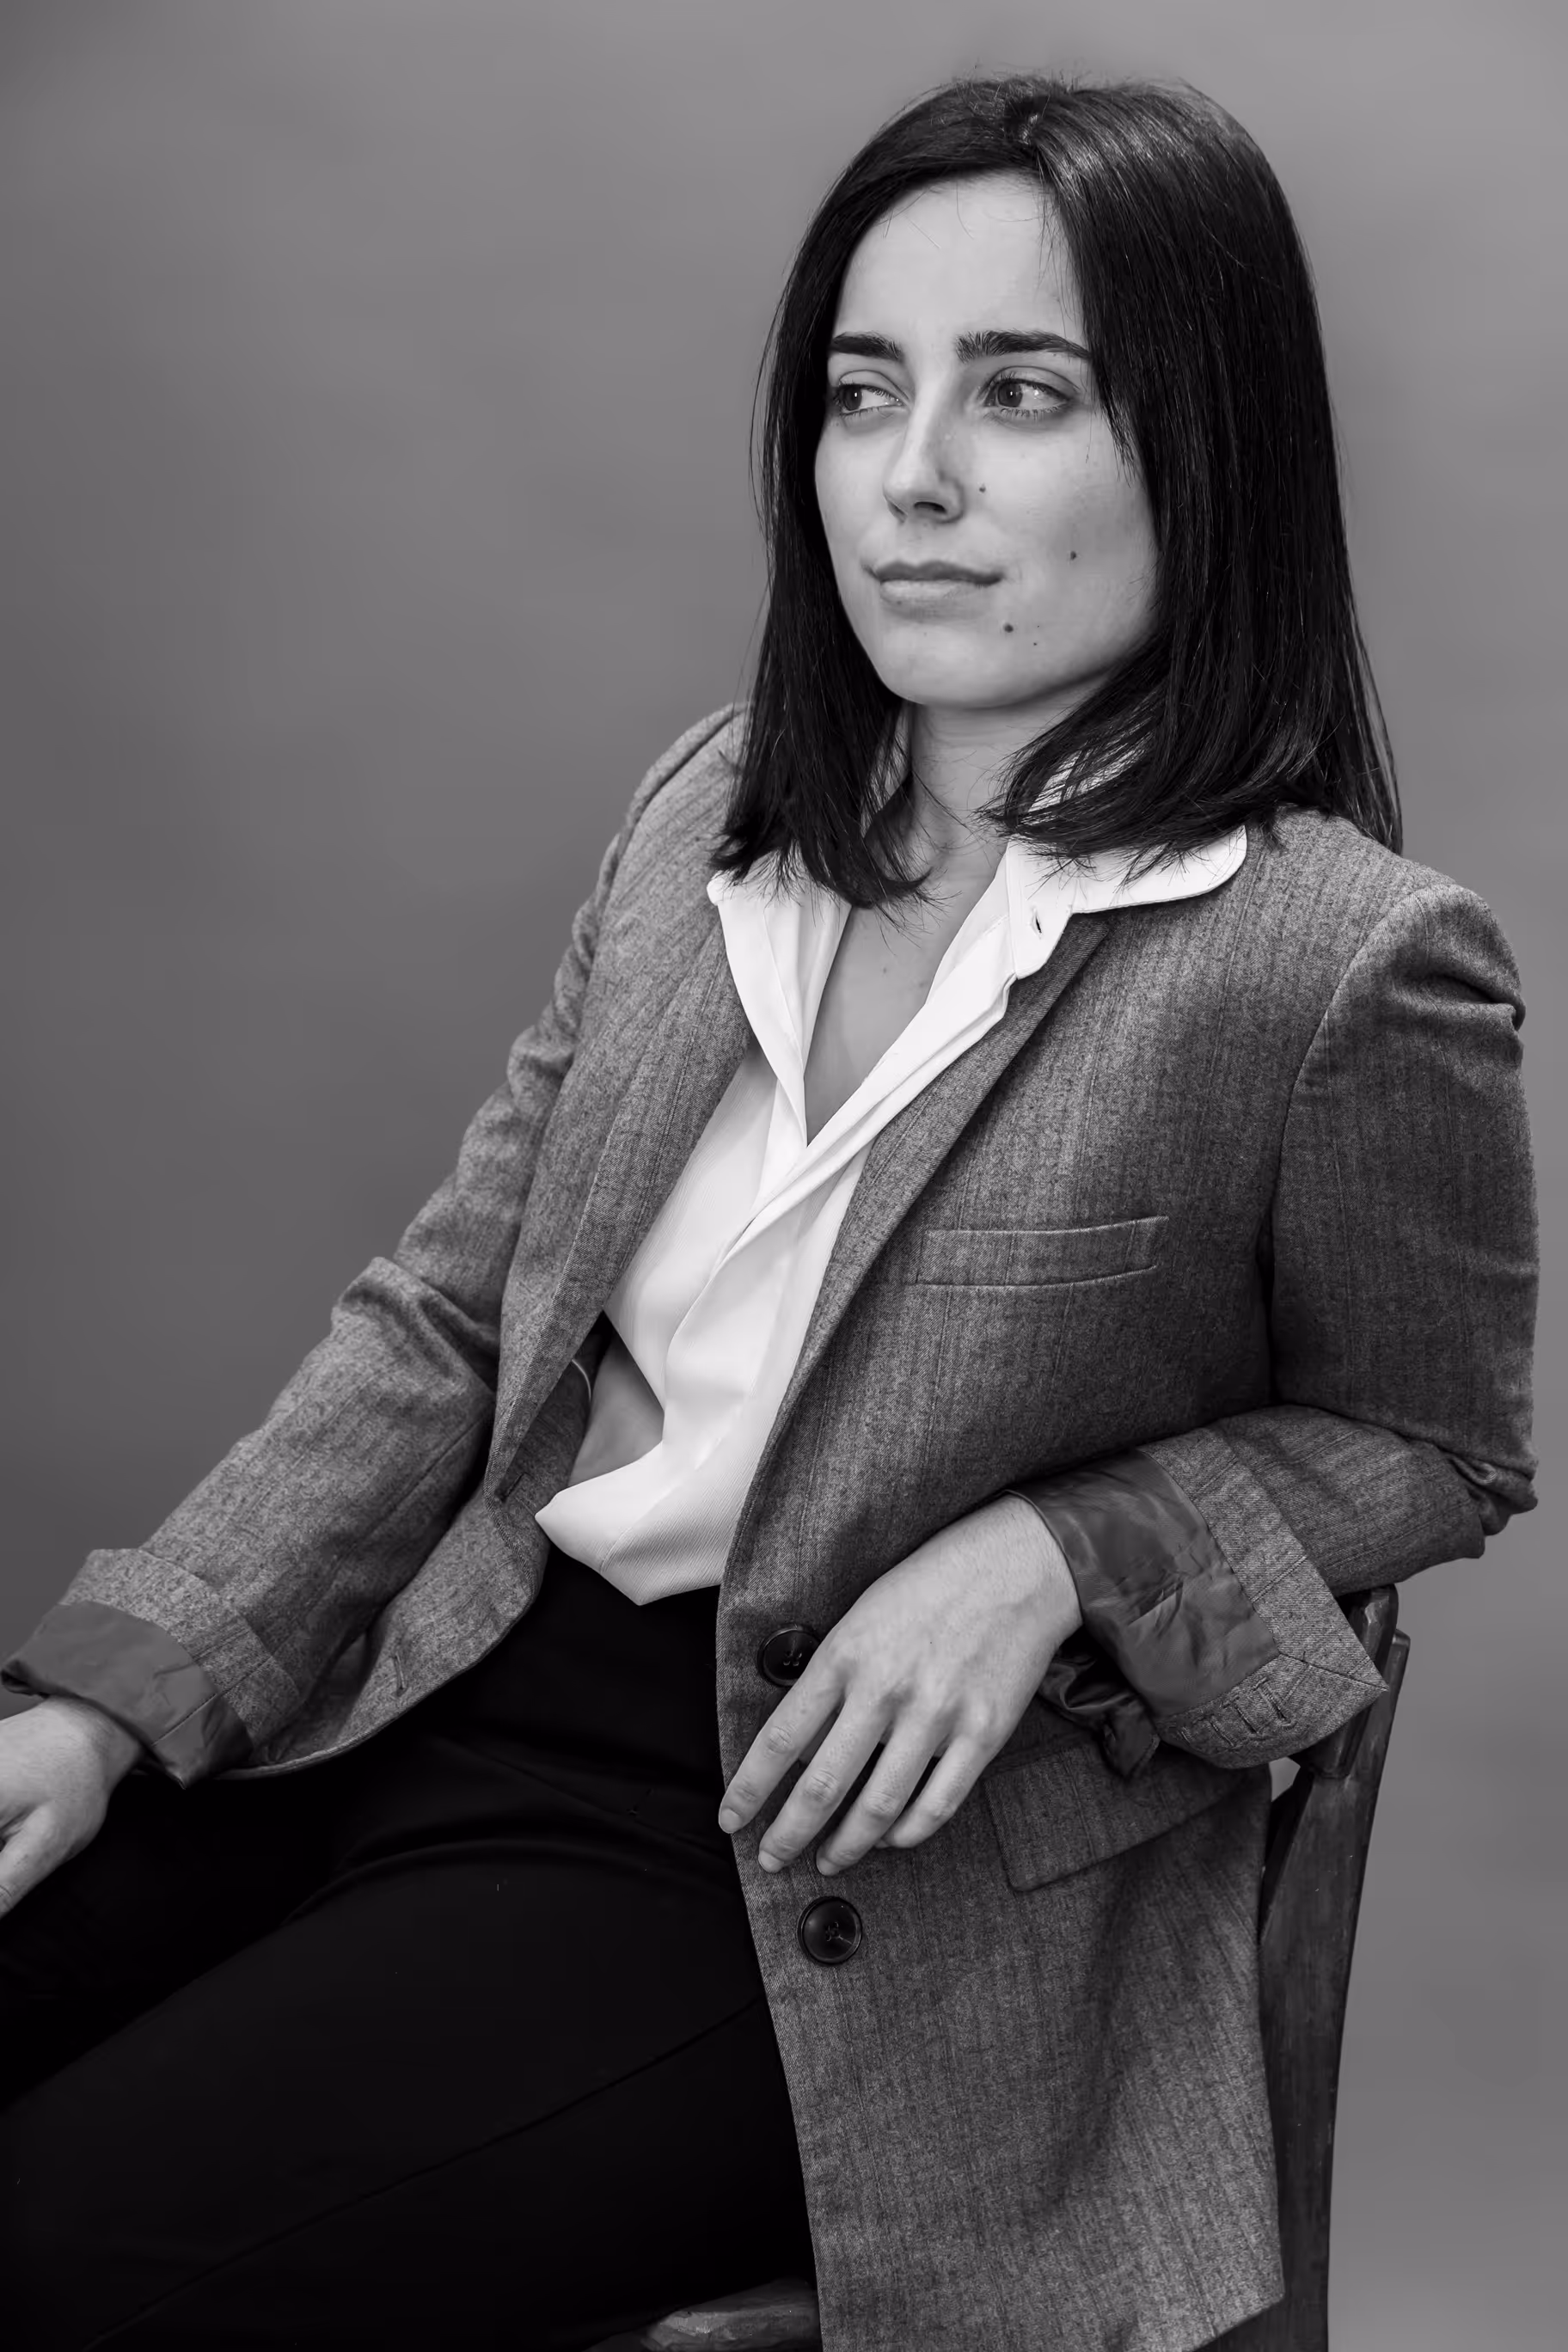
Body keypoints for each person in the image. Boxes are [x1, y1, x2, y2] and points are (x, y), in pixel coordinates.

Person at [0, 71, 1537, 2352]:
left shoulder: (1338, 963)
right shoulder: (707, 816)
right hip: (427, 1677)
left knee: (65, 2249)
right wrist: (115, 1700)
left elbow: (1435, 1443)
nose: (912, 478)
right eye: (861, 391)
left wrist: (1063, 1550)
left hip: (810, 1874)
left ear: (1208, 449)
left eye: (1024, 394)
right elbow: (451, 1324)